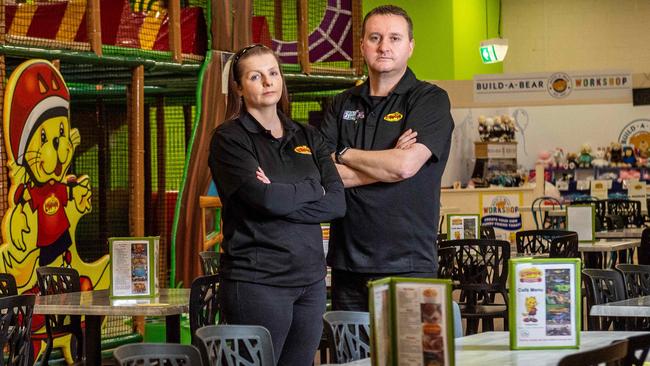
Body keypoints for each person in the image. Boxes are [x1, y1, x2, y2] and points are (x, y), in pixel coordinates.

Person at [208, 44, 345, 365]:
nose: (268, 82)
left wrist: (282, 198)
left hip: (310, 284)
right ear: (239, 88)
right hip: (258, 283)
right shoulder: (230, 139)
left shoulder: (308, 136)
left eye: (273, 73)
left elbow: (337, 203)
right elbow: (264, 199)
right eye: (256, 76)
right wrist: (314, 187)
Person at [319, 5, 455, 311]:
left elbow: (405, 166)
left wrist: (344, 154)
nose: (384, 46)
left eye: (394, 38)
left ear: (410, 46)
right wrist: (388, 164)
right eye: (375, 37)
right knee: (352, 360)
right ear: (363, 45)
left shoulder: (429, 100)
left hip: (409, 264)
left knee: (412, 359)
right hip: (348, 265)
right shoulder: (340, 104)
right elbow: (321, 172)